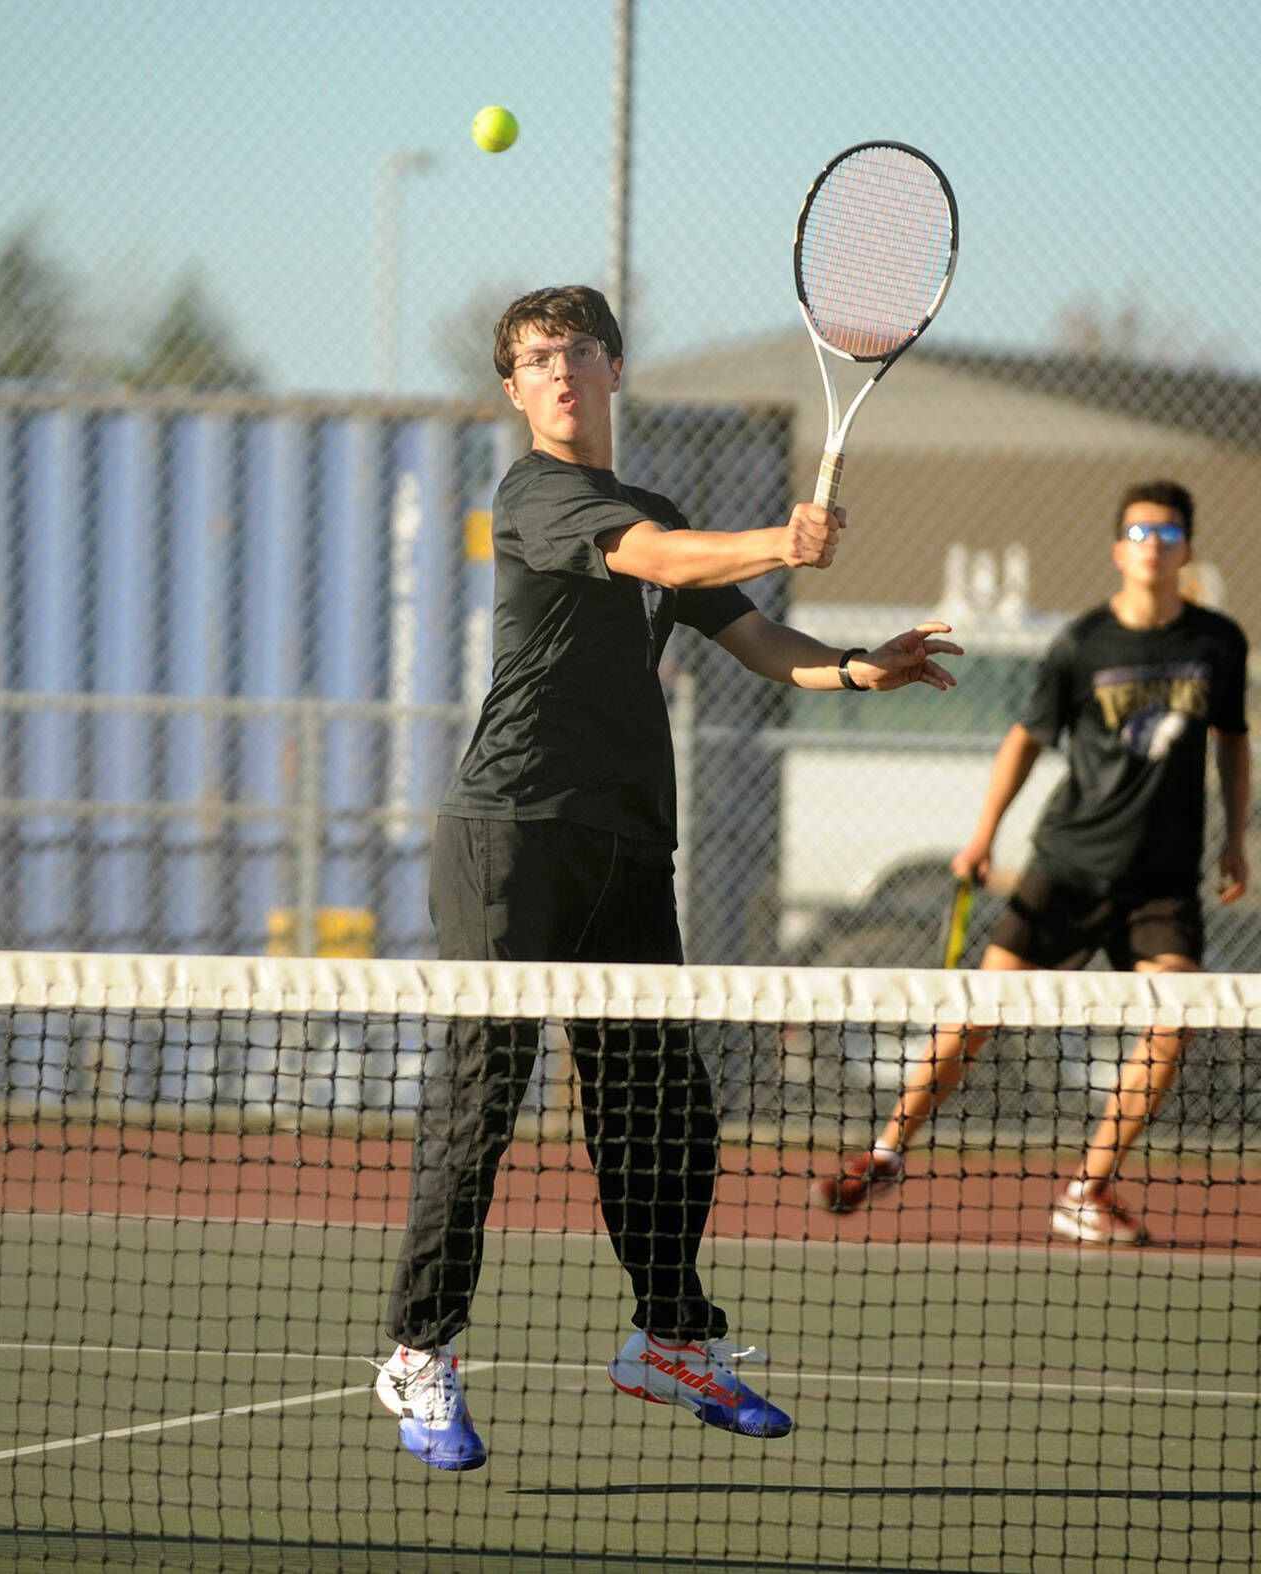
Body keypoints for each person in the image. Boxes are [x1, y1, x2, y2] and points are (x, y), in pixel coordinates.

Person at [374, 283, 963, 1470]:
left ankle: (668, 1335)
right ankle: (416, 1351)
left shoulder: (654, 503)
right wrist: (778, 537)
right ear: (513, 388)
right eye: (534, 357)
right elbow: (650, 556)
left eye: (576, 350)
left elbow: (752, 639)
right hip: (511, 835)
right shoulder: (536, 494)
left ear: (612, 371)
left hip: (629, 846)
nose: (557, 370)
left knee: (664, 1104)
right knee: (482, 1098)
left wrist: (857, 667)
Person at [813, 479, 1250, 1248]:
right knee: (981, 1011)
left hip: (1163, 885)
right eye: (1141, 535)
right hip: (1069, 867)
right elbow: (1026, 739)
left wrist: (1234, 838)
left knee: (1174, 1021)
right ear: (1120, 551)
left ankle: (1087, 1188)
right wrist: (984, 836)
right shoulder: (1082, 643)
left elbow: (1232, 744)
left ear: (1187, 550)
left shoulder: (1218, 642)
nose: (1155, 548)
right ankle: (885, 1153)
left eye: (1169, 536)